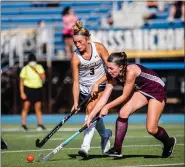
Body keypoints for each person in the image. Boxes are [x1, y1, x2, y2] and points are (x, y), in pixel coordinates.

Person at [87, 52, 176, 158]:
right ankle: (117, 149)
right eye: (107, 68)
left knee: (151, 129)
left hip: (157, 91)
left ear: (121, 67)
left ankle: (168, 142)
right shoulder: (113, 74)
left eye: (111, 68)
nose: (109, 71)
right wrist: (90, 116)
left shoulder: (131, 71)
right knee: (123, 112)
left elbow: (124, 96)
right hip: (142, 90)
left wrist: (107, 107)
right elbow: (104, 97)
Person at [71, 20, 112, 158]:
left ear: (86, 39)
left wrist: (97, 83)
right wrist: (76, 102)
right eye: (75, 42)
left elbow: (111, 70)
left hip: (100, 86)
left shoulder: (99, 48)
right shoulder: (75, 57)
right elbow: (76, 82)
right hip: (84, 90)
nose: (77, 45)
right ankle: (105, 135)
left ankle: (85, 147)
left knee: (90, 111)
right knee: (95, 115)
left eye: (80, 42)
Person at [19, 53, 46, 131]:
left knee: (38, 108)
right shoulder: (25, 68)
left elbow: (43, 78)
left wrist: (36, 70)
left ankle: (40, 124)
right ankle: (23, 125)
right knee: (26, 107)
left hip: (37, 89)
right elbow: (21, 82)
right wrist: (22, 92)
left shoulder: (39, 67)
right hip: (28, 89)